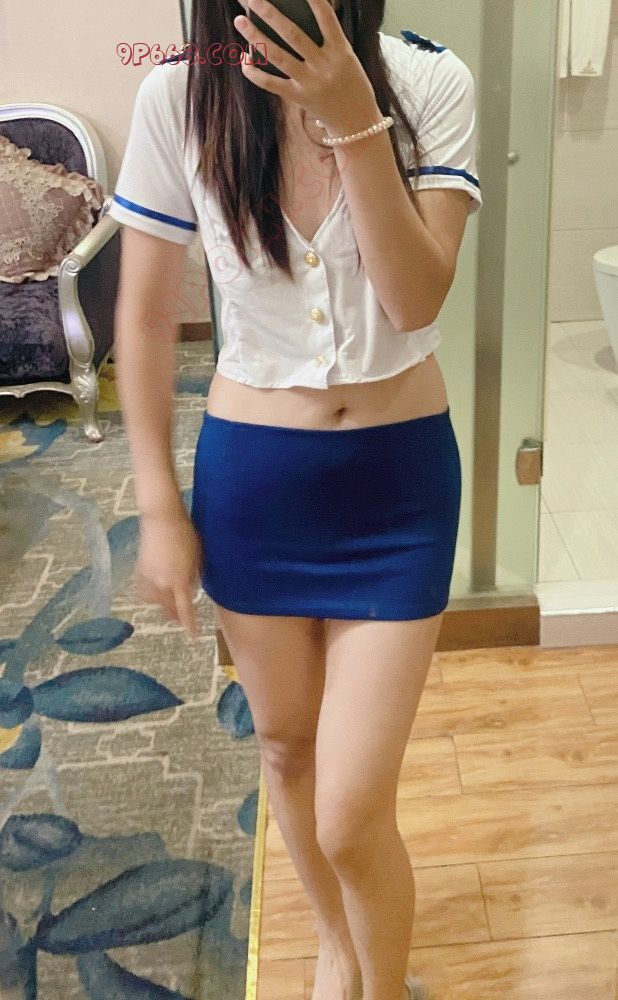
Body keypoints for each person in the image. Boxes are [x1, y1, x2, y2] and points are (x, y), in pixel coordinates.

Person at [108, 1, 482, 998]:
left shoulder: (429, 83)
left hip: (397, 489)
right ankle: (334, 944)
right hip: (256, 487)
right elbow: (143, 319)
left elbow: (415, 298)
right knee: (285, 744)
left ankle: (382, 985)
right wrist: (159, 507)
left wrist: (355, 119)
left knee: (352, 811)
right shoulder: (178, 96)